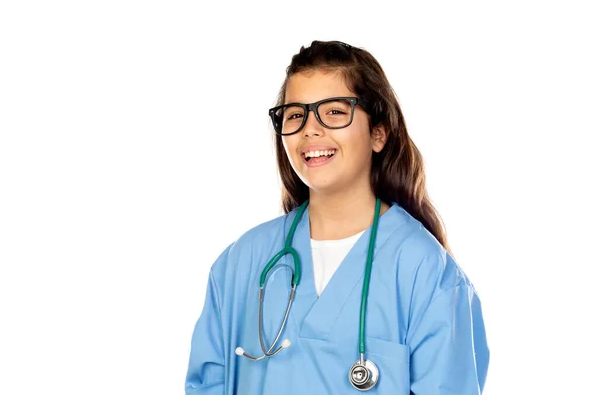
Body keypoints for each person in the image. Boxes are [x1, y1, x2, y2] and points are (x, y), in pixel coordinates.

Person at [184, 40, 489, 394]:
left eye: (333, 112)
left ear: (378, 133)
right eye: (296, 114)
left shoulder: (425, 271)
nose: (310, 129)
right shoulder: (241, 262)